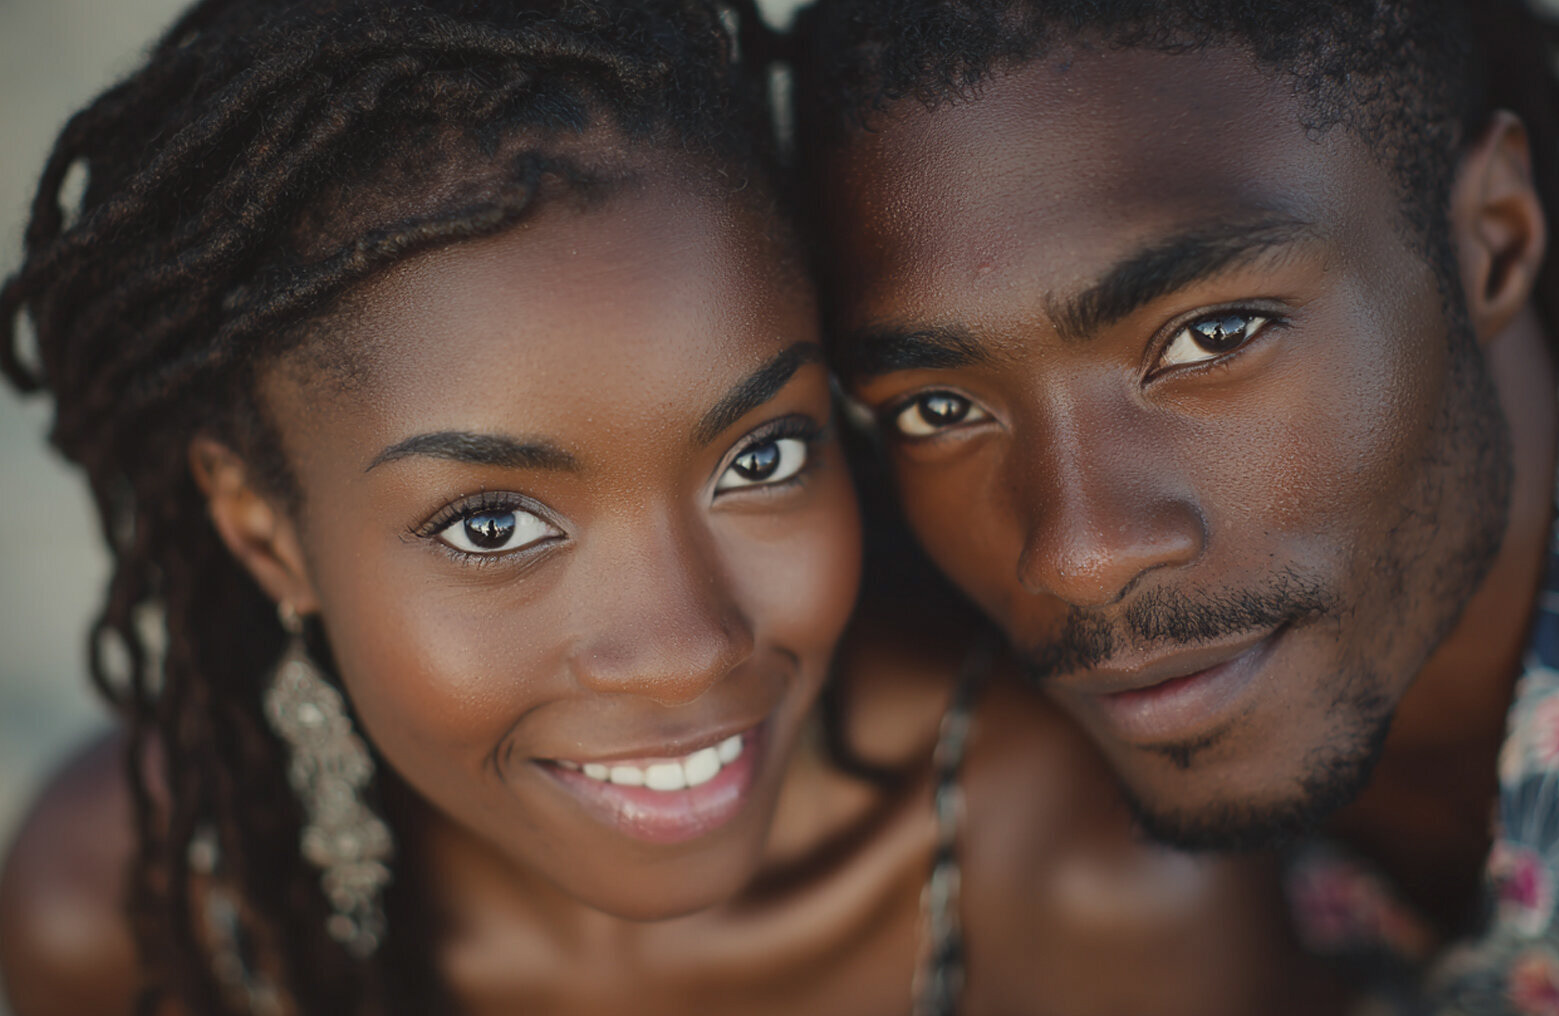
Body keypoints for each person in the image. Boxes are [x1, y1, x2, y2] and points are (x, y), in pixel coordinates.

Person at [0, 1, 1340, 1014]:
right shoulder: (137, 913)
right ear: (264, 534)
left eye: (758, 459)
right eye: (492, 527)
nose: (690, 644)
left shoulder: (1082, 877)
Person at [797, 0, 1559, 1008]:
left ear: (1491, 239)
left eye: (1213, 336)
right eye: (939, 405)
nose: (1078, 552)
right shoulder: (926, 754)